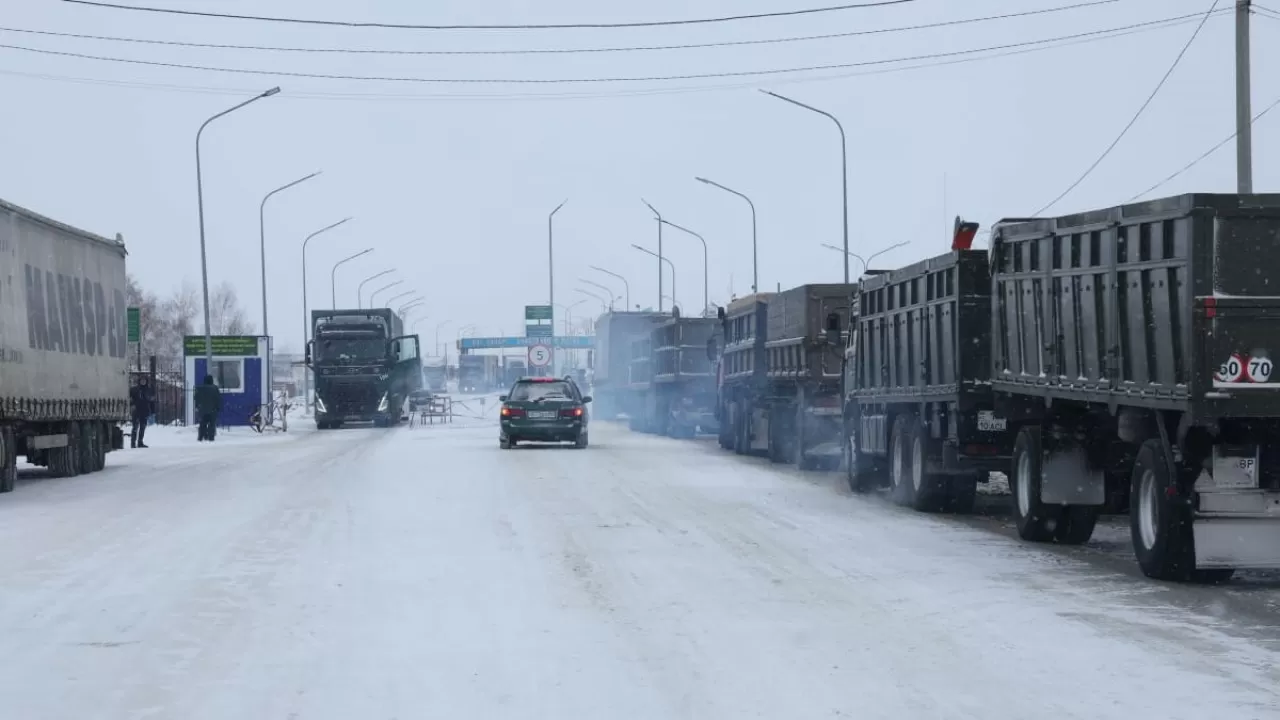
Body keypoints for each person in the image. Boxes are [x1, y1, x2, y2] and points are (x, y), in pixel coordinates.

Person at [194, 375, 223, 442]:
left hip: (203, 410)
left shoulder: (200, 388)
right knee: (212, 424)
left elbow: (196, 399)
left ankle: (201, 437)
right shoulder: (215, 388)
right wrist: (217, 407)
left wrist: (198, 407)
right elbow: (217, 399)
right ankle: (211, 437)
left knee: (202, 424)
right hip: (212, 410)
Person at [129, 375, 154, 448]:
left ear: (146, 381)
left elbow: (152, 401)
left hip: (145, 410)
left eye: (144, 380)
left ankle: (140, 442)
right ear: (139, 381)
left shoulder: (149, 390)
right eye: (141, 380)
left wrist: (152, 412)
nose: (143, 382)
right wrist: (132, 405)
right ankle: (133, 443)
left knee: (143, 427)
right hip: (136, 410)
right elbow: (130, 399)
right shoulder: (134, 389)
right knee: (135, 427)